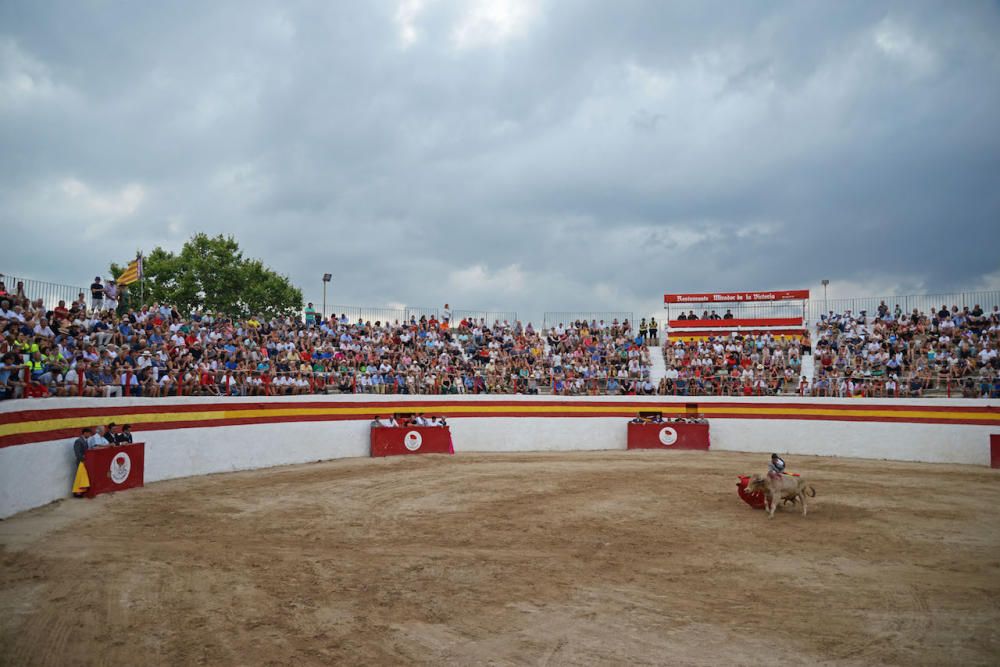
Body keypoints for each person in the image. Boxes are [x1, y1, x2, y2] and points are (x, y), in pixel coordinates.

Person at [72, 427, 93, 496]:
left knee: (82, 477)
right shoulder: (78, 441)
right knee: (80, 477)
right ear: (85, 433)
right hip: (81, 462)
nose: (90, 435)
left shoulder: (85, 440)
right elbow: (78, 454)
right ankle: (77, 493)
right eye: (89, 434)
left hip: (85, 462)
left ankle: (81, 492)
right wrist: (84, 459)